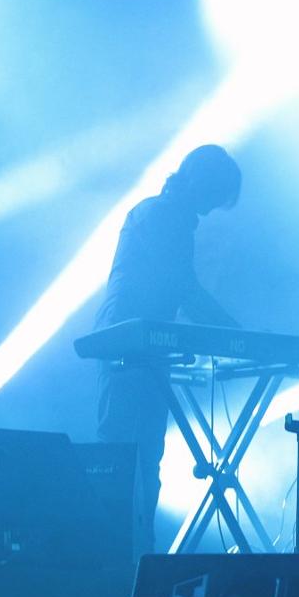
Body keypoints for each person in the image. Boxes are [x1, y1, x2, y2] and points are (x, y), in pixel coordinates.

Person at [95, 144, 242, 555]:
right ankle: (116, 558)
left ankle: (138, 554)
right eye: (213, 197)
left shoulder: (171, 216)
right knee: (124, 457)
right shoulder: (161, 215)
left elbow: (180, 289)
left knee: (142, 458)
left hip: (144, 346)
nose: (211, 210)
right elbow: (183, 288)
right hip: (127, 344)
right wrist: (237, 335)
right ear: (200, 182)